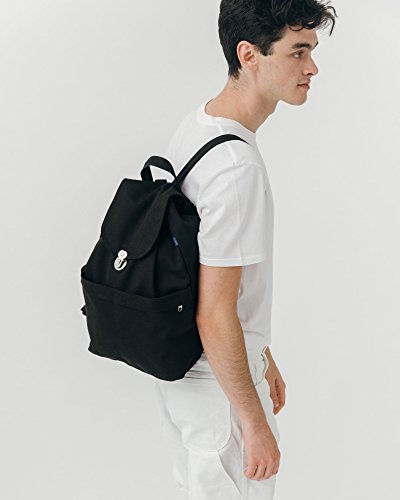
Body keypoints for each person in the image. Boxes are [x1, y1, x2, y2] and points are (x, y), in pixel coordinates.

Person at [154, 1, 337, 498]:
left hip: (191, 384)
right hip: (222, 395)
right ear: (249, 54)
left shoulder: (200, 128)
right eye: (298, 52)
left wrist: (262, 353)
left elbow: (206, 276)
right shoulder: (236, 168)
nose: (312, 68)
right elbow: (213, 313)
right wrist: (254, 424)